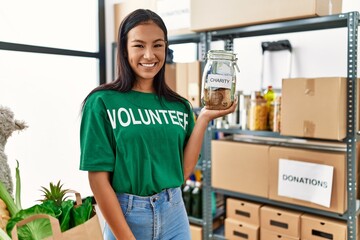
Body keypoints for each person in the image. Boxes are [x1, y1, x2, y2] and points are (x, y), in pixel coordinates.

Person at [79, 9, 236, 240]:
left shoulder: (179, 105)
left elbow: (181, 173)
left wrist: (203, 118)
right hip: (127, 216)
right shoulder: (102, 102)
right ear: (124, 48)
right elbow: (98, 179)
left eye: (158, 45)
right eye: (139, 45)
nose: (150, 55)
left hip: (174, 212)